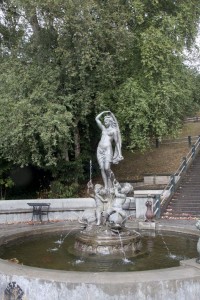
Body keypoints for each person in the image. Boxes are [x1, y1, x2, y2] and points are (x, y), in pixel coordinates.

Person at [95, 111, 123, 191]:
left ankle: (114, 182)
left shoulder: (114, 131)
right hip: (100, 150)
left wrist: (120, 153)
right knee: (102, 168)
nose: (105, 122)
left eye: (106, 121)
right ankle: (106, 186)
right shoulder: (103, 128)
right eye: (104, 121)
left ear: (110, 122)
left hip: (108, 150)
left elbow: (117, 143)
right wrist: (104, 112)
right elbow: (96, 118)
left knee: (107, 168)